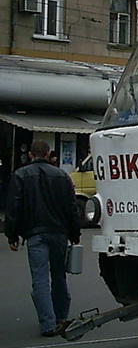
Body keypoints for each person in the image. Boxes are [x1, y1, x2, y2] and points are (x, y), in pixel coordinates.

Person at [5, 139, 81, 337]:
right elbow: (72, 208)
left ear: (31, 155)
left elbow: (14, 207)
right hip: (59, 233)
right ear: (48, 155)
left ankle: (48, 324)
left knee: (39, 279)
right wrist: (75, 234)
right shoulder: (62, 176)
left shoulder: (20, 175)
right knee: (59, 275)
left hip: (35, 233)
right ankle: (62, 316)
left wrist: (12, 234)